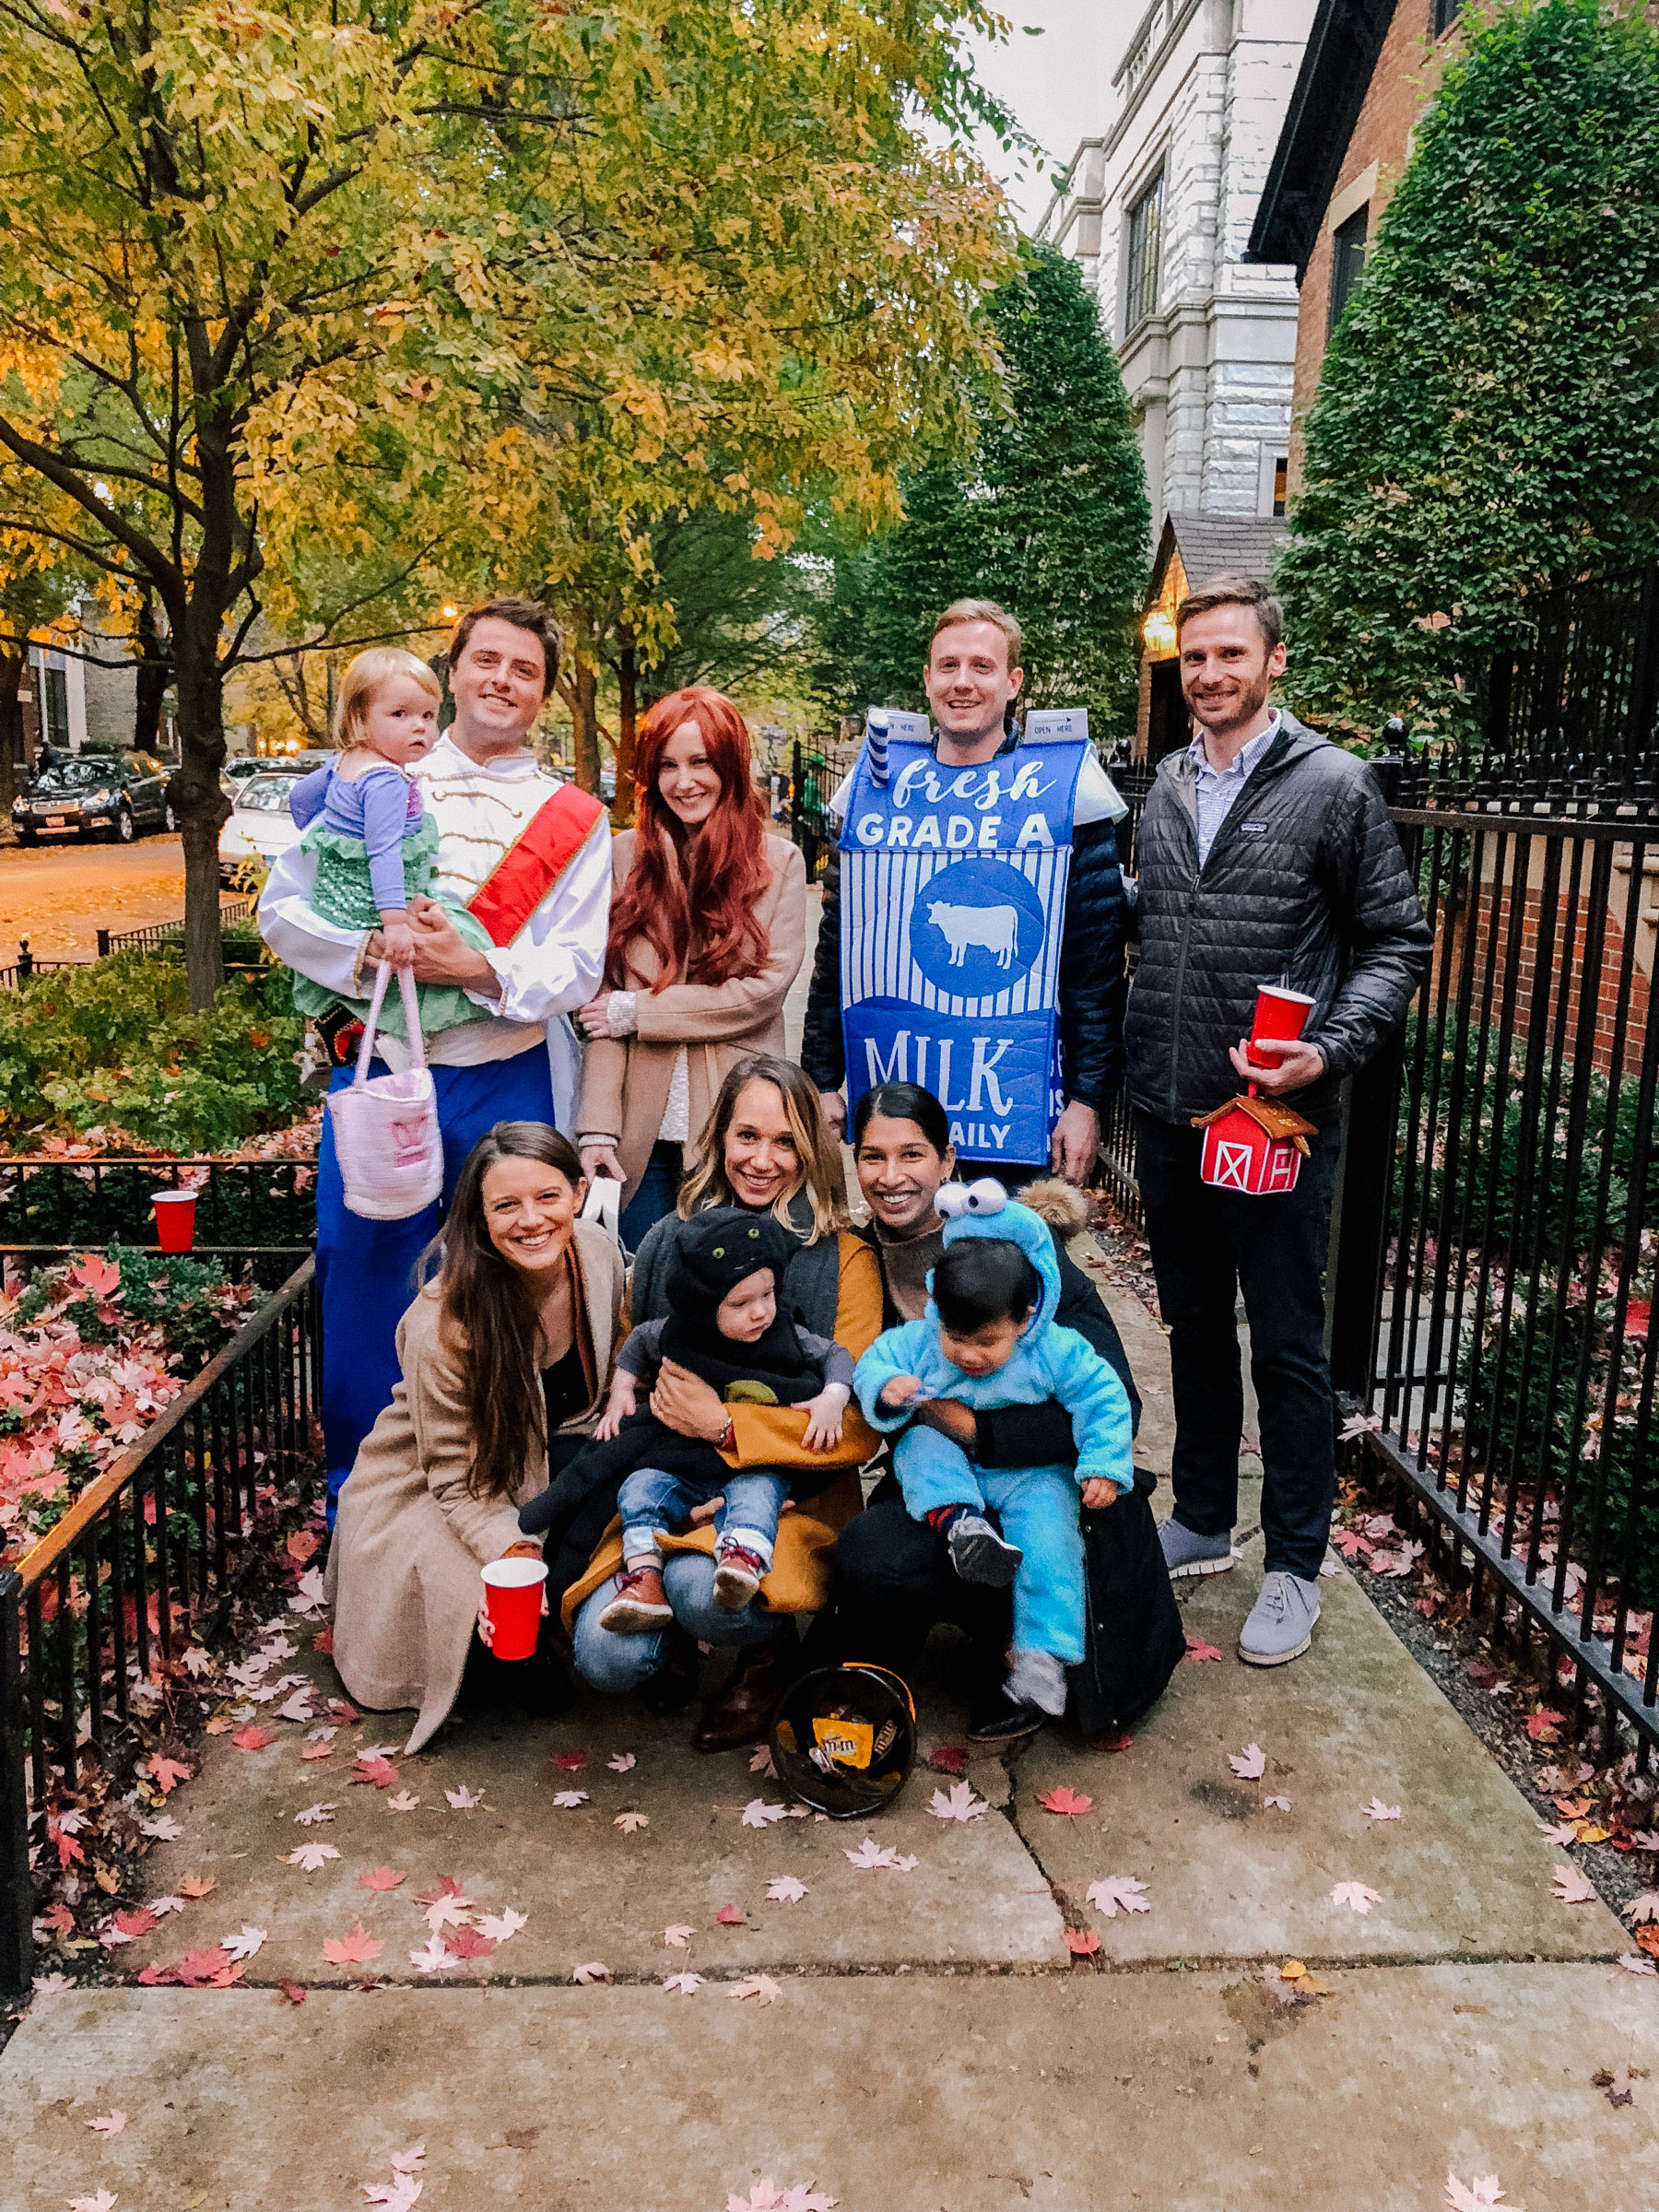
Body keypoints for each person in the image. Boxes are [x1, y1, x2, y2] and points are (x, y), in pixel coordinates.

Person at [1126, 573, 1432, 1666]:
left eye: (1230, 655)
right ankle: (1205, 1518)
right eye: (1195, 658)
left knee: (1289, 1348)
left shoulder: (1335, 785)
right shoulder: (1164, 786)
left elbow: (1396, 941)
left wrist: (1331, 1050)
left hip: (1274, 1117)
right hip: (1168, 1115)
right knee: (1196, 1330)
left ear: (1273, 662)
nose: (1209, 673)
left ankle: (1296, 1562)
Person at [260, 599, 612, 1519]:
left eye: (524, 669)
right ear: (452, 670)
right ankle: (365, 1513)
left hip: (509, 1076)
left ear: (543, 692)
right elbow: (281, 911)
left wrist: (480, 966)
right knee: (368, 1276)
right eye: (484, 659)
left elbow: (578, 964)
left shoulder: (574, 817)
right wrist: (368, 952)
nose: (501, 679)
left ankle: (498, 1504)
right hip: (385, 1071)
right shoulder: (370, 775)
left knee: (509, 1292)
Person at [825, 1082, 1183, 1746]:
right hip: (942, 1483)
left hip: (1044, 1476)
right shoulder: (856, 1259)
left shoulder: (1021, 1263)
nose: (892, 1176)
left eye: (912, 1155)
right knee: (872, 1554)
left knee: (1050, 1558)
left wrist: (965, 1424)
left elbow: (1114, 1403)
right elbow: (861, 1373)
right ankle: (969, 1618)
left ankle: (1024, 1645)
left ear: (947, 1161)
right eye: (872, 1157)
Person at [561, 1055, 883, 1749]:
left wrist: (726, 1426)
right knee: (606, 1658)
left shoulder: (844, 1259)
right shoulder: (663, 1243)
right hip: (668, 1474)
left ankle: (769, 1652)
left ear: (810, 1149)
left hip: (791, 1489)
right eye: (746, 1136)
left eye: (785, 1141)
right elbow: (638, 1373)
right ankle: (667, 1635)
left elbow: (857, 1424)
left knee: (696, 1586)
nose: (762, 1160)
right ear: (719, 1138)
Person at [801, 599, 1129, 1186]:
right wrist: (823, 1077)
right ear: (927, 680)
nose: (962, 682)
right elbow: (839, 948)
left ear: (1012, 682)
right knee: (903, 1265)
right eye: (947, 666)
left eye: (981, 666)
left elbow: (1095, 969)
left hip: (1020, 1106)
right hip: (898, 1108)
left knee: (999, 1270)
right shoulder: (875, 790)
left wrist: (1087, 1102)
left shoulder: (1066, 792)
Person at [324, 1124, 624, 1753]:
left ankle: (566, 1634)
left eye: (547, 1197)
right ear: (479, 1220)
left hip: (555, 1450)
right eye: (506, 1205)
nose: (531, 1220)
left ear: (577, 1192)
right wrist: (516, 1556)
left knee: (616, 1493)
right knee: (478, 1610)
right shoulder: (443, 1322)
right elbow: (455, 1484)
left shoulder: (595, 1253)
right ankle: (515, 1650)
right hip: (440, 1481)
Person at [854, 1182, 1135, 1730]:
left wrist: (1104, 1463)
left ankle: (1041, 1655)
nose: (969, 1355)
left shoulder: (1054, 1347)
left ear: (1026, 1317)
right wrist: (886, 1385)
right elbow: (876, 1358)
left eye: (988, 1342)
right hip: (954, 1465)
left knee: (1052, 1541)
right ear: (936, 1306)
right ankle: (962, 1526)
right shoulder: (923, 1337)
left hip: (1032, 1475)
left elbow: (1103, 1396)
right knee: (921, 1446)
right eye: (956, 1338)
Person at [515, 1206, 854, 1622]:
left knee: (760, 1489)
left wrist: (832, 1397)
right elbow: (640, 1341)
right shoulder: (680, 1332)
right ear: (704, 1308)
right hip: (681, 1463)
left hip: (751, 1461)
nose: (761, 1311)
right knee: (638, 1488)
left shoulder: (785, 1332)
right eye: (741, 1302)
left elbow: (835, 1354)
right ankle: (645, 1578)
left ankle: (743, 1560)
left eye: (768, 1295)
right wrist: (622, 1389)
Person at [574, 688, 806, 1249]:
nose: (685, 782)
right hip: (638, 1128)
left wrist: (640, 1012)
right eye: (668, 766)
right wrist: (597, 1126)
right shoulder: (621, 857)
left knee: (734, 1290)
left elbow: (762, 992)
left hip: (740, 1126)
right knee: (638, 1284)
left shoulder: (779, 863)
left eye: (701, 762)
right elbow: (603, 1005)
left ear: (729, 765)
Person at [284, 649, 494, 1041]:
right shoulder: (386, 781)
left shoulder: (345, 761)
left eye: (428, 716)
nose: (419, 728)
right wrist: (394, 922)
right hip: (372, 905)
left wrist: (336, 827)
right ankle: (409, 1038)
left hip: (334, 900)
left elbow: (300, 799)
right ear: (359, 718)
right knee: (465, 933)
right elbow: (384, 853)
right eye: (400, 715)